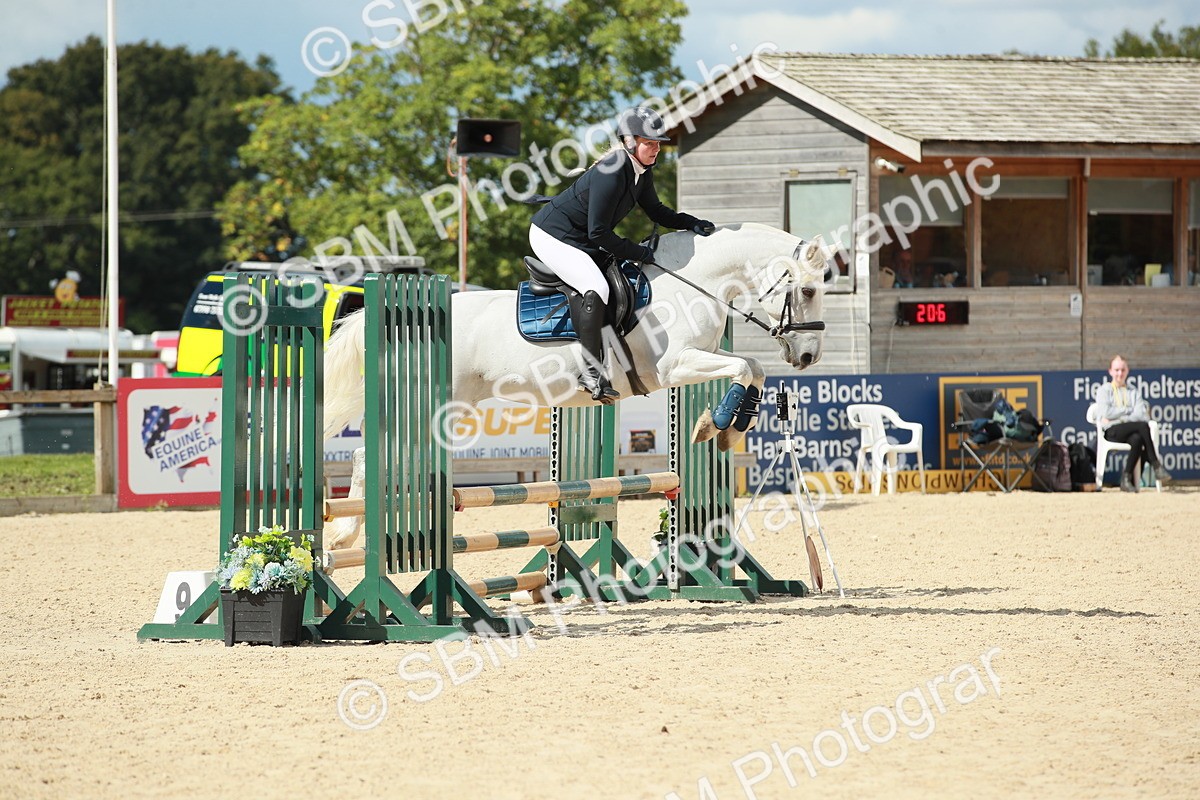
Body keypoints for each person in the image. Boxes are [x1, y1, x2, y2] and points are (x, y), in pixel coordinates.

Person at [529, 106, 715, 401]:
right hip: (553, 236)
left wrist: (690, 222)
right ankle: (590, 373)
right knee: (597, 286)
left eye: (658, 144)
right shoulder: (613, 169)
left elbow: (656, 210)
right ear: (630, 141)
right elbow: (598, 233)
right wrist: (638, 252)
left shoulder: (641, 170)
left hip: (581, 238)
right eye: (649, 143)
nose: (656, 149)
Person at [1094, 355, 1171, 492]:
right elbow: (1106, 412)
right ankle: (1156, 465)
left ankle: (1126, 479)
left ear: (1127, 371)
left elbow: (1142, 415)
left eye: (1123, 370)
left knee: (1137, 439)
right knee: (1142, 426)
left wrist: (1119, 417)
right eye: (1117, 370)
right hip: (1111, 431)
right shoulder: (1104, 390)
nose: (1120, 373)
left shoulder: (1133, 391)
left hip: (1127, 429)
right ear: (1110, 371)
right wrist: (1128, 411)